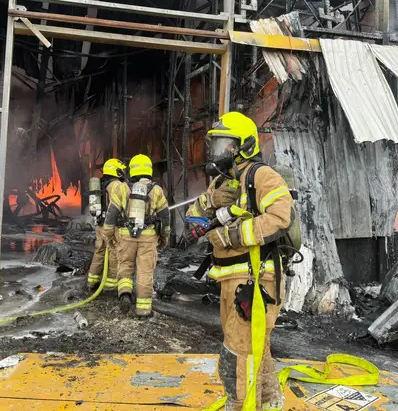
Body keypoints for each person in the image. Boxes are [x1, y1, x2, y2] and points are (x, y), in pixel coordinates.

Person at [185, 112, 294, 411]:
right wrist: (202, 213)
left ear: (244, 145)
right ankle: (270, 401)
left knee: (237, 354)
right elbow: (195, 213)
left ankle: (240, 405)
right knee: (255, 346)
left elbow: (281, 217)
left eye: (225, 144)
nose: (218, 151)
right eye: (216, 144)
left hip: (256, 280)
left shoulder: (261, 176)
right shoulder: (222, 182)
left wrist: (234, 234)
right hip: (229, 279)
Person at [102, 154, 170, 316]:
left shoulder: (122, 188)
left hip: (126, 235)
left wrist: (109, 235)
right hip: (148, 237)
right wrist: (164, 238)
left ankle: (125, 293)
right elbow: (165, 217)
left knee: (125, 266)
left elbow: (111, 214)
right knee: (145, 271)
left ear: (132, 170)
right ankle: (143, 309)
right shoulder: (157, 190)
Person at [86, 158, 126, 292]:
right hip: (112, 225)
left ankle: (92, 281)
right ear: (116, 171)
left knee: (99, 251)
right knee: (114, 253)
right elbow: (119, 205)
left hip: (99, 224)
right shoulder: (116, 185)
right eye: (121, 170)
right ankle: (110, 285)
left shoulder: (101, 184)